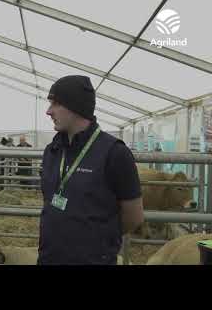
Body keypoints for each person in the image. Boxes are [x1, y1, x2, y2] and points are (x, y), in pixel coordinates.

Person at [38, 75, 144, 265]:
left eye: (55, 104)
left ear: (75, 106)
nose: (48, 111)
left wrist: (98, 237)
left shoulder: (114, 153)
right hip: (50, 257)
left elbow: (134, 217)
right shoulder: (52, 151)